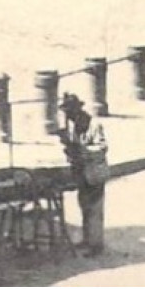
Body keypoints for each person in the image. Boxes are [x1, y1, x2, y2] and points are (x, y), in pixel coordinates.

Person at [57, 94, 108, 256]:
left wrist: (83, 151)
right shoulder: (73, 125)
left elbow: (101, 147)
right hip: (81, 173)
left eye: (70, 112)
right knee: (84, 206)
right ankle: (87, 239)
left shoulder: (94, 125)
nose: (69, 117)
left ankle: (96, 245)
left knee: (94, 210)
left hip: (94, 172)